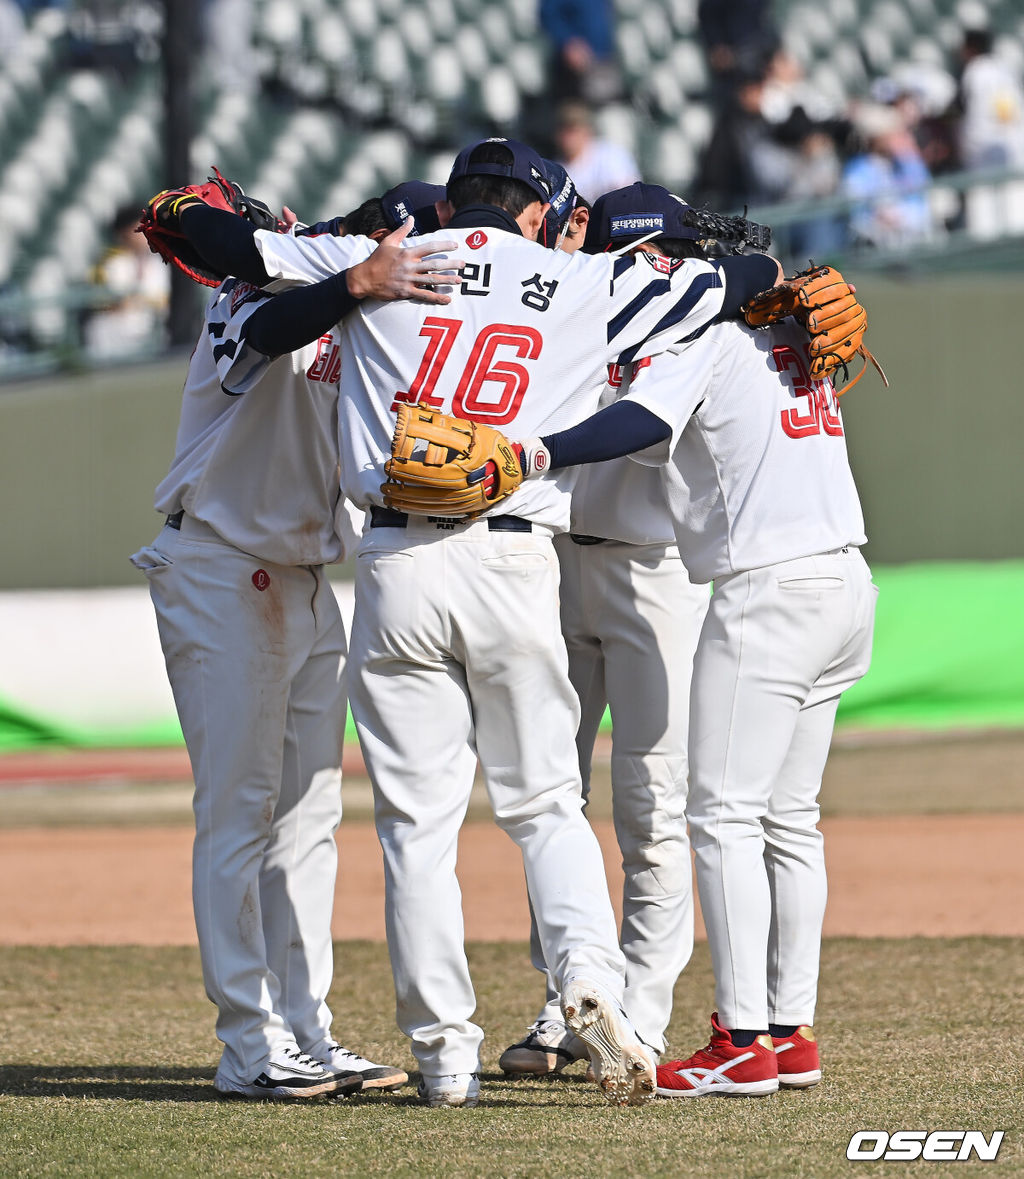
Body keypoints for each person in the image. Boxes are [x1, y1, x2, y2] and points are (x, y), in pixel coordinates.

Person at [169, 135, 783, 1108]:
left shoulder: (394, 262)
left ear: (447, 207)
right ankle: (585, 973)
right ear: (540, 211)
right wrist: (768, 268)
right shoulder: (577, 281)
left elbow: (207, 239)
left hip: (392, 557)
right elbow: (719, 288)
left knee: (414, 825)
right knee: (545, 802)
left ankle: (443, 1058)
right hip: (509, 548)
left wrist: (318, 248)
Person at [504, 181, 876, 1097]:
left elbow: (643, 421)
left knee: (716, 817)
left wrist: (535, 452)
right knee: (791, 821)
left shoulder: (698, 331)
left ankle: (741, 1037)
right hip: (847, 578)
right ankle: (789, 1032)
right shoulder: (787, 328)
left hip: (766, 588)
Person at [129, 204, 458, 1101]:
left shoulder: (377, 319)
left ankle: (307, 1029)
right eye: (416, 235)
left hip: (309, 575)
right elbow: (272, 325)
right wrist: (351, 281)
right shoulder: (256, 289)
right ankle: (249, 1043)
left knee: (310, 817)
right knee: (237, 811)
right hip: (220, 566)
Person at [499, 182, 709, 1078]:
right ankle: (569, 998)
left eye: (649, 248)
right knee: (554, 799)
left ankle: (644, 1012)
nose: (641, 264)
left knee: (652, 807)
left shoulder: (691, 323)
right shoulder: (578, 302)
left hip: (656, 572)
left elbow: (645, 420)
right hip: (556, 563)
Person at [83, 203, 171, 361]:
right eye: (138, 229)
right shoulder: (111, 264)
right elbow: (113, 304)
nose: (145, 233)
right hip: (116, 334)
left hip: (153, 331)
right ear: (123, 233)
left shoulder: (160, 263)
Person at [553, 100, 640, 204]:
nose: (569, 137)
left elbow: (629, 197)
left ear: (587, 131)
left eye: (573, 130)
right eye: (563, 130)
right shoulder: (556, 170)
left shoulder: (610, 155)